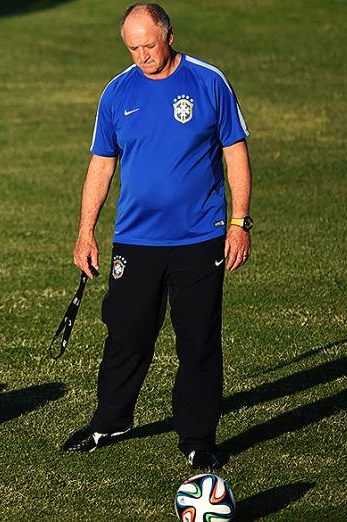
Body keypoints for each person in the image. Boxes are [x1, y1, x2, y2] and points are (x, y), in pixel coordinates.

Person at [61, 3, 253, 470]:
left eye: (148, 45)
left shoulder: (209, 82)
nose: (141, 55)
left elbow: (235, 152)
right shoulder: (117, 92)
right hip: (136, 239)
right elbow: (102, 163)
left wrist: (239, 222)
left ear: (168, 35)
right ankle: (111, 420)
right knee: (125, 331)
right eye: (132, 47)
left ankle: (198, 437)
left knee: (198, 340)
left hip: (199, 239)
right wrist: (86, 232)